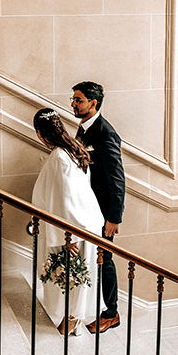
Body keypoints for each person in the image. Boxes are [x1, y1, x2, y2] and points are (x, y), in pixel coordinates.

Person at [31, 108, 105, 336]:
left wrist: (68, 237)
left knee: (71, 276)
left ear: (40, 133)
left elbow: (65, 198)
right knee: (76, 276)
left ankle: (71, 319)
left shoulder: (59, 157)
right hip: (83, 224)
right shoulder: (73, 148)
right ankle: (74, 318)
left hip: (74, 228)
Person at [71, 81, 125, 334]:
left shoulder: (106, 133)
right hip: (87, 205)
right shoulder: (84, 127)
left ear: (93, 103)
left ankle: (111, 314)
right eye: (73, 99)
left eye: (78, 100)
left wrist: (114, 217)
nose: (73, 104)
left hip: (103, 212)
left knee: (105, 259)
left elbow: (117, 179)